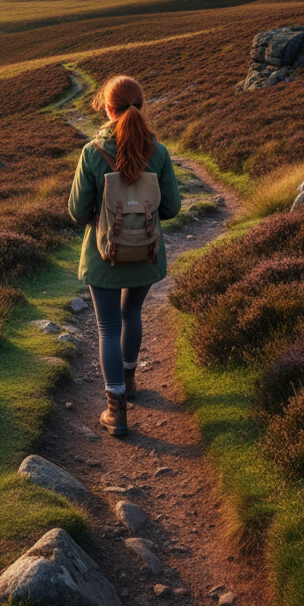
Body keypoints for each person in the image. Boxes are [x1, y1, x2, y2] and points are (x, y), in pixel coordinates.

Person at [68, 75, 181, 437]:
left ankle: (116, 411)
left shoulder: (92, 152)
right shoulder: (158, 152)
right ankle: (130, 382)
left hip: (104, 256)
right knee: (131, 314)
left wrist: (106, 217)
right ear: (140, 106)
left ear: (107, 107)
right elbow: (172, 208)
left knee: (107, 327)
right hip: (146, 253)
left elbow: (77, 210)